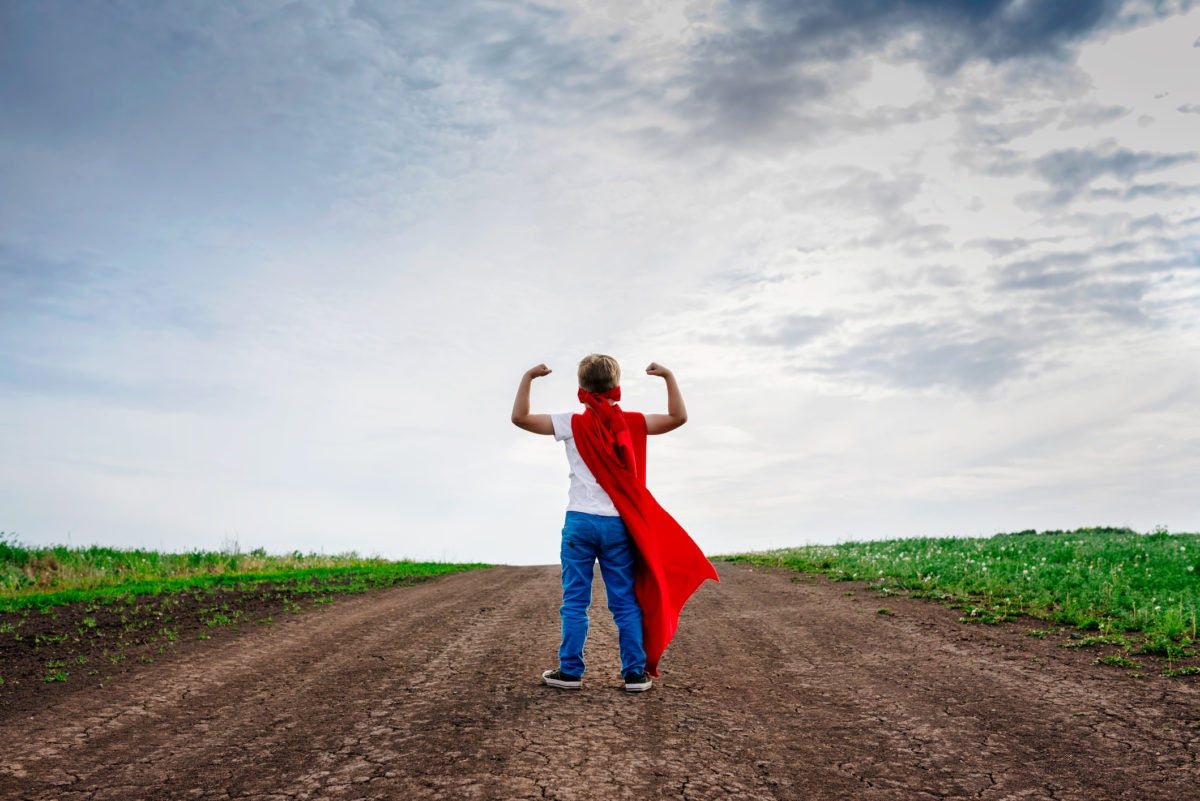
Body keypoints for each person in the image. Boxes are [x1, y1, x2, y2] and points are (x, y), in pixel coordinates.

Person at [511, 354, 714, 693]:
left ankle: (571, 671)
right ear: (617, 387)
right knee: (624, 601)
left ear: (581, 388)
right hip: (619, 525)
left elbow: (520, 417)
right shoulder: (633, 422)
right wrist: (668, 376)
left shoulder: (569, 424)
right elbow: (679, 417)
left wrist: (529, 377)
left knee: (575, 600)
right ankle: (634, 673)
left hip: (580, 523)